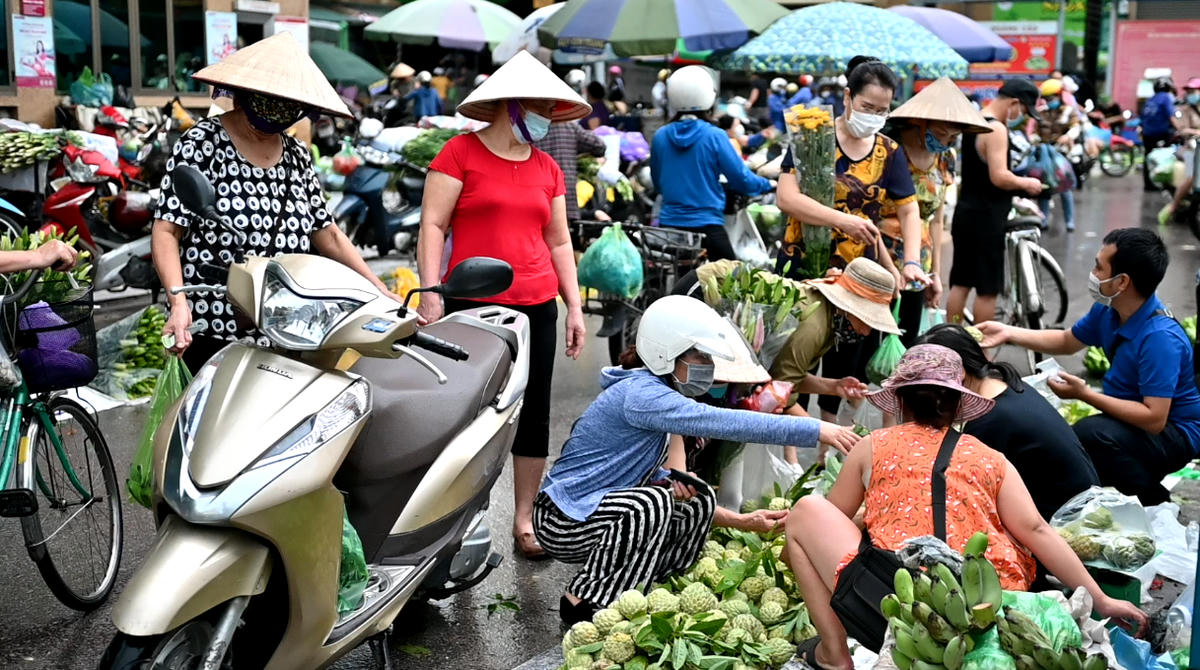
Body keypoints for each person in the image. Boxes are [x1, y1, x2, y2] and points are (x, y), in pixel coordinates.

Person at [782, 344, 1148, 670]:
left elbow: (834, 515)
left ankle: (833, 655)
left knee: (805, 513)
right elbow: (1037, 531)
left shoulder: (872, 447)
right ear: (959, 405)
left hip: (901, 613)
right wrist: (1099, 598)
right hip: (990, 616)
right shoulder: (990, 459)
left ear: (900, 400)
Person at [535, 295, 861, 624]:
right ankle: (585, 598)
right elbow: (723, 421)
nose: (706, 363)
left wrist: (743, 520)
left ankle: (656, 583)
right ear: (667, 352)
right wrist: (817, 429)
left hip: (598, 510)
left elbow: (632, 473)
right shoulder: (641, 394)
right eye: (699, 354)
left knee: (697, 498)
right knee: (650, 504)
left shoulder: (658, 394)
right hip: (563, 519)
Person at [416, 51, 591, 560]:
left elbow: (559, 242)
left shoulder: (548, 168)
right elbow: (433, 225)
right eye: (538, 105)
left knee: (533, 412)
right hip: (472, 303)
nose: (545, 116)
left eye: (549, 107)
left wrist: (573, 306)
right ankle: (462, 516)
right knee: (469, 413)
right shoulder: (458, 154)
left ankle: (524, 521)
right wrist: (431, 291)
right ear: (509, 105)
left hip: (537, 304)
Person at [152, 33, 399, 374]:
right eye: (268, 103)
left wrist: (378, 288)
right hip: (215, 321)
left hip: (287, 323)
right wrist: (178, 303)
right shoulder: (202, 143)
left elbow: (328, 233)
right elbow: (167, 231)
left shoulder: (297, 155)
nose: (275, 117)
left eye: (288, 108)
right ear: (244, 93)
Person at [980, 228, 1200, 505]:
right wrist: (1007, 332)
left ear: (1121, 282)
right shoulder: (1109, 309)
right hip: (1130, 419)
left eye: (1099, 267)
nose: (1093, 273)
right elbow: (1067, 340)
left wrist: (1084, 394)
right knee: (1071, 440)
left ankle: (1154, 499)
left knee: (1092, 435)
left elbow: (1154, 418)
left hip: (1175, 432)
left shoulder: (1160, 339)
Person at [775, 56, 929, 425]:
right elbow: (787, 198)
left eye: (882, 110)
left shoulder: (888, 152)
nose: (874, 115)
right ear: (847, 97)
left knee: (846, 363)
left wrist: (911, 261)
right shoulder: (813, 137)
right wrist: (845, 220)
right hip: (804, 266)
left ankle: (827, 447)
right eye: (866, 107)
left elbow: (909, 211)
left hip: (857, 279)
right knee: (794, 356)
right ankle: (791, 450)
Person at [917, 323, 1099, 519]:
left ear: (958, 374)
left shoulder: (986, 423)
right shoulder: (1007, 384)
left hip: (1063, 520)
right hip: (1085, 502)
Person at [882, 77, 993, 346]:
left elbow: (937, 219)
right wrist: (890, 267)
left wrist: (936, 275)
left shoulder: (945, 158)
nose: (946, 141)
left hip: (919, 264)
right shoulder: (886, 149)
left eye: (954, 137)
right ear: (920, 122)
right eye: (942, 134)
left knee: (907, 346)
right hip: (880, 257)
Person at [945, 79, 1045, 326]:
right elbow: (999, 176)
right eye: (1022, 110)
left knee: (960, 283)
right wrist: (1027, 184)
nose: (1020, 116)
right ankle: (981, 348)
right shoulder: (996, 129)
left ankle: (951, 341)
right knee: (987, 289)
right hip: (987, 219)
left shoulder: (975, 122)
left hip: (966, 213)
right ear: (1014, 103)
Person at [649, 66, 773, 262]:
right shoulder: (714, 135)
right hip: (707, 228)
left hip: (668, 230)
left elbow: (658, 183)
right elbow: (741, 179)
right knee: (731, 282)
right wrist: (768, 185)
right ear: (709, 96)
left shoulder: (660, 136)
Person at [534, 118, 606, 225]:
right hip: (566, 201)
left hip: (537, 199)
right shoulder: (569, 127)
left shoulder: (530, 130)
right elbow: (599, 146)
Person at [1034, 78, 1082, 232]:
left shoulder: (1069, 111)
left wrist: (1068, 136)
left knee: (1065, 187)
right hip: (1044, 155)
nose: (1050, 101)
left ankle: (1070, 221)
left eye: (1052, 97)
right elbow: (1034, 132)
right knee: (1044, 187)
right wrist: (1034, 139)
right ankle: (1044, 219)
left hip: (1062, 155)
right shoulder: (1041, 113)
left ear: (1060, 95)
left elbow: (1076, 127)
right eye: (1047, 98)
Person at [1159, 77, 1200, 225]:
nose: (1190, 94)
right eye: (1189, 91)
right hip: (1190, 148)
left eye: (1193, 91)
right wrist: (1196, 131)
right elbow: (1182, 130)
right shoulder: (1183, 110)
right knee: (1192, 177)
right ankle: (1173, 206)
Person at [1142, 77, 1178, 192]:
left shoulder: (1150, 99)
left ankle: (1148, 184)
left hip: (1147, 134)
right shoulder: (1166, 98)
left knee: (1148, 157)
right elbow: (1171, 117)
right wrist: (1181, 129)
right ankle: (1164, 183)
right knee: (1164, 158)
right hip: (1161, 134)